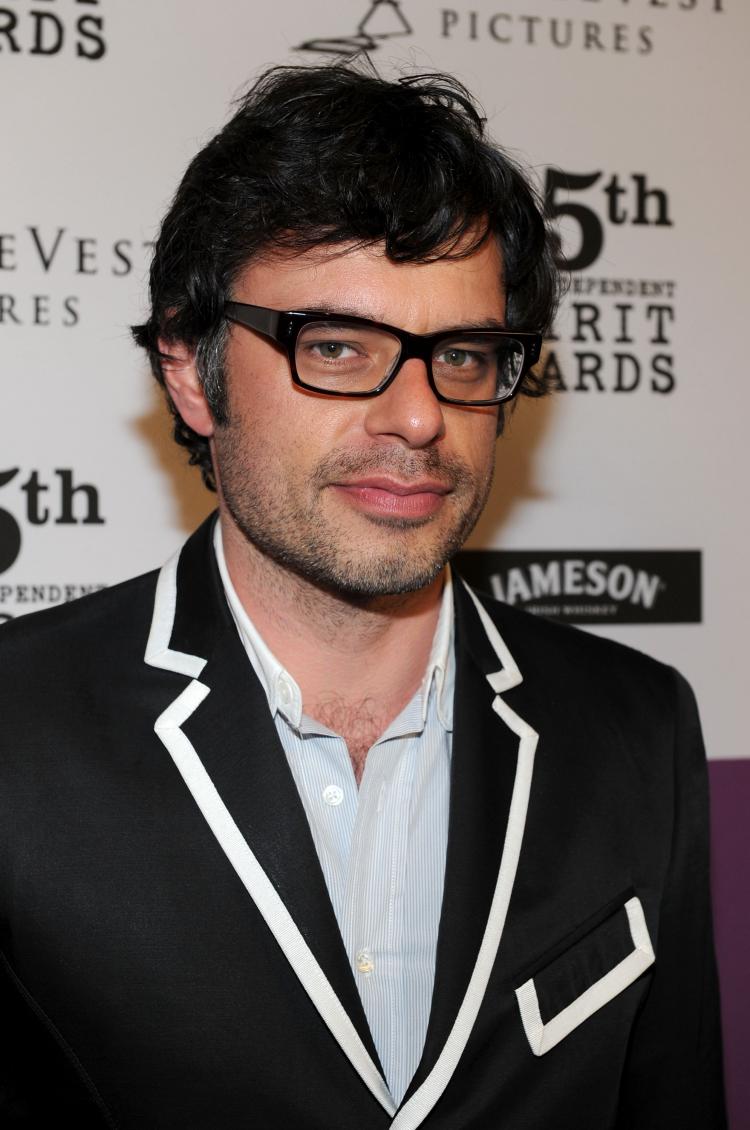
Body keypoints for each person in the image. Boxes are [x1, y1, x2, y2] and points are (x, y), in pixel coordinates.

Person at [0, 63, 725, 1129]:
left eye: (464, 355)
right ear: (192, 375)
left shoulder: (635, 724)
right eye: (336, 346)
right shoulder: (19, 725)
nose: (419, 415)